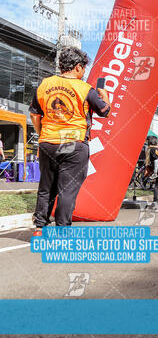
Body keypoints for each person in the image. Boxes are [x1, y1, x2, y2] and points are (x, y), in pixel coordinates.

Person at [28, 46, 110, 235]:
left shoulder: (44, 84)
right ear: (78, 67)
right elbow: (105, 111)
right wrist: (105, 97)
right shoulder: (85, 89)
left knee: (46, 186)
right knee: (67, 189)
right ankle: (62, 232)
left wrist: (42, 135)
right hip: (74, 144)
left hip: (48, 141)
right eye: (83, 69)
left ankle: (39, 227)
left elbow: (34, 114)